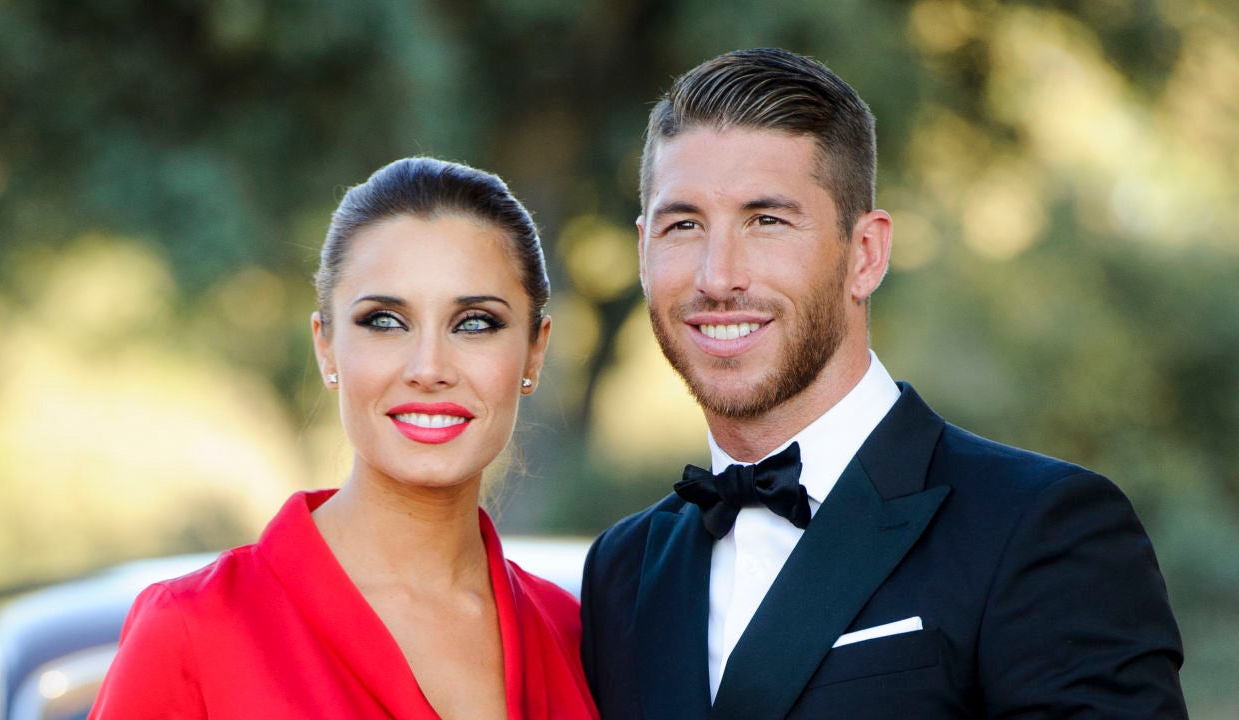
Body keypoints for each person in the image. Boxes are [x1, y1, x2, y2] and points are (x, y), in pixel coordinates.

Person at [580, 48, 1187, 719]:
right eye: (684, 225)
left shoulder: (1040, 527)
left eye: (767, 221)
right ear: (643, 252)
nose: (717, 277)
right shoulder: (622, 569)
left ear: (865, 255)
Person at [91, 157, 598, 719]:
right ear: (326, 347)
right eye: (385, 321)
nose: (429, 368)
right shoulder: (191, 629)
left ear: (535, 350)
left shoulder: (576, 636)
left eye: (475, 322)